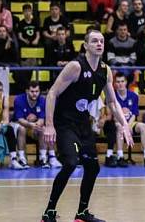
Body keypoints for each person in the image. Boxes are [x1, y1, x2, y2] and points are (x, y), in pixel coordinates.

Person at [41, 30, 133, 222]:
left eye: (101, 41)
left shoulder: (105, 71)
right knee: (71, 163)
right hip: (65, 124)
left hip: (83, 124)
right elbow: (51, 94)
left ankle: (82, 213)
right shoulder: (75, 66)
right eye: (94, 41)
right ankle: (49, 211)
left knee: (92, 167)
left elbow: (113, 102)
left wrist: (124, 125)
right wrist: (49, 125)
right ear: (85, 45)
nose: (99, 44)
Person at [13, 81, 62, 169]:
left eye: (37, 91)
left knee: (43, 129)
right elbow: (20, 119)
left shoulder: (43, 100)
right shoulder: (19, 99)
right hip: (20, 125)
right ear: (27, 91)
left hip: (34, 126)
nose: (34, 94)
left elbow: (42, 119)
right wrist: (31, 124)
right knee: (21, 128)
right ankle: (21, 158)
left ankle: (43, 158)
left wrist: (36, 124)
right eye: (32, 91)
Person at [113, 73, 145, 168]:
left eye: (122, 81)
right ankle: (120, 156)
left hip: (130, 122)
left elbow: (134, 114)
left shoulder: (133, 96)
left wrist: (129, 126)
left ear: (126, 82)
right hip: (118, 122)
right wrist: (123, 126)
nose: (120, 84)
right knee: (119, 127)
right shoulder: (112, 96)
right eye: (118, 82)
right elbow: (113, 115)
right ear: (115, 83)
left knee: (143, 126)